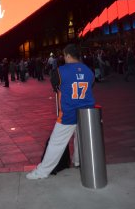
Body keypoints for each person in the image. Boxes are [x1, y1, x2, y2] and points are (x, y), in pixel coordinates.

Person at [26, 44, 95, 179]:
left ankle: (42, 172)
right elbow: (91, 85)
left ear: (68, 55)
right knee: (81, 139)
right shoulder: (88, 71)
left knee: (56, 143)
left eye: (64, 55)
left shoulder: (60, 71)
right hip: (87, 113)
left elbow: (55, 85)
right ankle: (78, 161)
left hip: (68, 113)